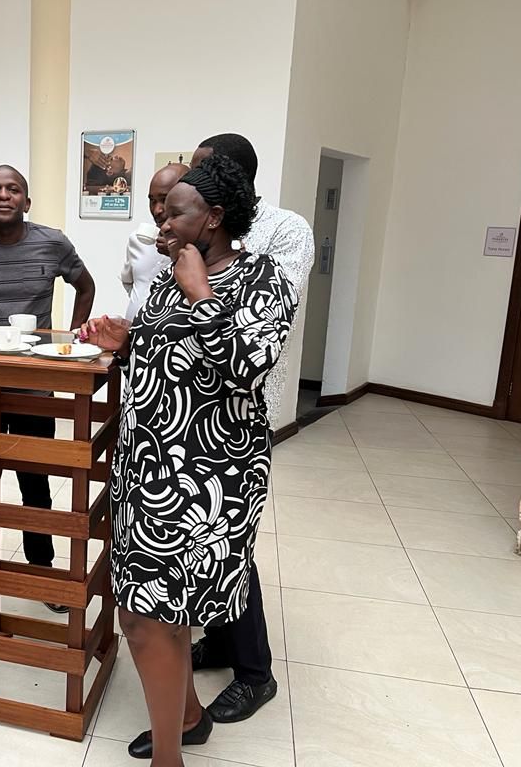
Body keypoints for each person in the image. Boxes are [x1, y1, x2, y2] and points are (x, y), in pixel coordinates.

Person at [80, 153, 298, 764]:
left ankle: (170, 758)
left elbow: (245, 367)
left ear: (214, 217)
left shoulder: (264, 282)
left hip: (207, 482)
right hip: (145, 474)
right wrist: (123, 343)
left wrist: (202, 295)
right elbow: (157, 353)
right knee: (139, 615)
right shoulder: (167, 277)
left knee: (153, 618)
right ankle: (191, 719)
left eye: (176, 213)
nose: (163, 224)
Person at [187, 133, 315, 723]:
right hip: (191, 411)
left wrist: (206, 281)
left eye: (201, 171)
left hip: (240, 409)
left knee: (229, 549)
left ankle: (254, 673)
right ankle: (217, 640)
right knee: (203, 547)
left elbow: (262, 325)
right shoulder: (188, 242)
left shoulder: (285, 232)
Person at [0, 164, 95, 613]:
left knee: (35, 479)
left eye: (13, 189)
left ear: (27, 202)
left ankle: (43, 573)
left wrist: (70, 337)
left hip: (34, 387)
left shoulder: (52, 241)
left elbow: (85, 285)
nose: (3, 195)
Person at [121, 162, 189, 320]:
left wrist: (176, 253)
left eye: (164, 200)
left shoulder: (200, 245)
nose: (157, 210)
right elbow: (129, 282)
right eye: (152, 201)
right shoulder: (137, 239)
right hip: (133, 335)